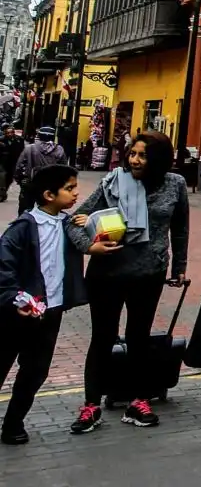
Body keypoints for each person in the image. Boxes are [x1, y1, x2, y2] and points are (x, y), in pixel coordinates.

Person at [67, 132, 190, 434]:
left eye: (143, 155)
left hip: (150, 274)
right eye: (132, 153)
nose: (135, 160)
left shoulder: (175, 184)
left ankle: (138, 401)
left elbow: (181, 228)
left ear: (159, 159)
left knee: (139, 338)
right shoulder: (114, 182)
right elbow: (74, 219)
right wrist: (89, 247)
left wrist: (179, 268)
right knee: (103, 338)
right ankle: (91, 405)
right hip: (107, 273)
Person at [0, 164, 119, 445]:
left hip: (50, 311)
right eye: (69, 188)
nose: (76, 193)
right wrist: (12, 299)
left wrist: (91, 234)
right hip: (18, 312)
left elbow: (88, 239)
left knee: (36, 370)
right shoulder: (23, 228)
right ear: (49, 194)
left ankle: (13, 424)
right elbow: (4, 267)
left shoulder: (67, 224)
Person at [12, 130, 67, 216]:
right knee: (46, 211)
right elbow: (64, 169)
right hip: (50, 186)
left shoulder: (30, 148)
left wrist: (19, 179)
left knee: (25, 209)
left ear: (40, 136)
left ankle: (24, 226)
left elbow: (20, 165)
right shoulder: (59, 150)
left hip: (30, 183)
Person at [0, 130, 23, 204]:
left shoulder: (19, 140)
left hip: (14, 162)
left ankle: (4, 191)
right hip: (3, 162)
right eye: (8, 133)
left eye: (11, 132)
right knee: (2, 178)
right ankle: (1, 194)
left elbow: (22, 150)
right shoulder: (1, 140)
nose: (10, 134)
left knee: (10, 179)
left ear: (14, 133)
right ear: (5, 133)